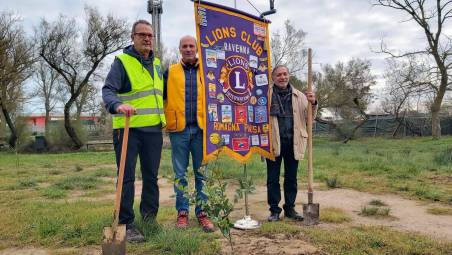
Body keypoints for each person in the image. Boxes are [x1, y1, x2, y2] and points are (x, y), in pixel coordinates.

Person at [102, 20, 165, 243]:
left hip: (153, 131)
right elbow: (108, 90)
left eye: (150, 35)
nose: (147, 38)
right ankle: (125, 223)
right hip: (128, 129)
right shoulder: (122, 62)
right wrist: (118, 105)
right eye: (142, 35)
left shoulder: (157, 64)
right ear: (133, 37)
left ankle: (149, 218)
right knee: (126, 177)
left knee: (151, 177)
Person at [163, 35, 214, 232]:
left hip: (202, 130)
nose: (188, 49)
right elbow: (162, 97)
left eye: (191, 46)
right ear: (179, 49)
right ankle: (182, 213)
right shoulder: (170, 72)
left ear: (196, 48)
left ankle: (203, 213)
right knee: (180, 174)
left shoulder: (208, 71)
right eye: (184, 46)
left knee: (202, 174)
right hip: (179, 130)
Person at [266, 65, 317, 222]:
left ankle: (290, 208)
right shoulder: (266, 95)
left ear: (289, 76)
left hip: (294, 142)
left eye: (285, 74)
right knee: (273, 178)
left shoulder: (300, 96)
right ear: (273, 78)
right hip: (274, 142)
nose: (282, 77)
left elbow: (310, 119)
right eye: (279, 75)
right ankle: (274, 210)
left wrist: (313, 103)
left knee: (291, 178)